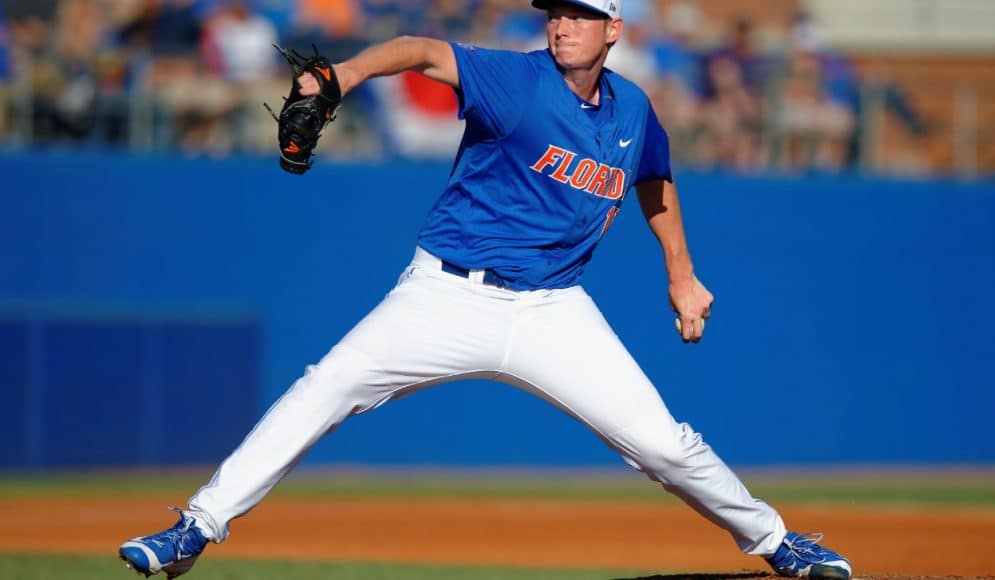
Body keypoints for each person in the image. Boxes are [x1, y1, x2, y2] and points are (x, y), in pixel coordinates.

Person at [118, 1, 852, 578]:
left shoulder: (633, 112)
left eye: (580, 15)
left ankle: (776, 541)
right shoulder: (517, 78)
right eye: (555, 13)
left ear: (613, 30)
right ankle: (196, 526)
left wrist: (681, 274)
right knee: (327, 384)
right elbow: (422, 51)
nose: (562, 24)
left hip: (552, 310)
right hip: (442, 296)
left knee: (663, 447)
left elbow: (654, 181)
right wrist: (341, 75)